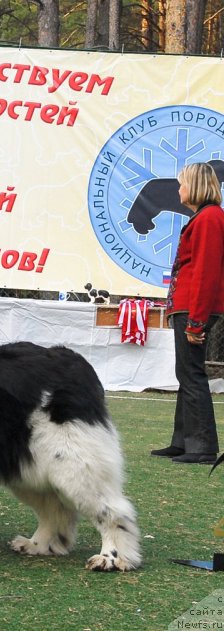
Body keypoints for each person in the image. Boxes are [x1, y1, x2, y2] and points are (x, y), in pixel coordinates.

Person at [151, 162, 224, 464]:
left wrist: (196, 319)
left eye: (181, 184)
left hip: (194, 308)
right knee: (186, 373)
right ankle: (183, 441)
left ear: (194, 187)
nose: (178, 190)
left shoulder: (209, 219)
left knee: (192, 374)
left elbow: (207, 271)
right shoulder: (205, 218)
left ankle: (203, 447)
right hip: (188, 306)